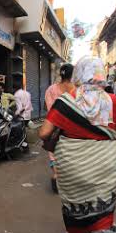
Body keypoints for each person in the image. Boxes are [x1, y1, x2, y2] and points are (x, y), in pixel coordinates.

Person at [39, 56, 116, 233]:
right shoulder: (112, 101)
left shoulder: (66, 101)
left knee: (73, 202)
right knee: (102, 212)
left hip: (73, 162)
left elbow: (43, 133)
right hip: (106, 164)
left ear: (78, 75)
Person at [44, 63, 76, 192]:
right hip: (74, 127)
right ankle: (70, 178)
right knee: (72, 152)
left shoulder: (51, 89)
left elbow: (50, 109)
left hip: (55, 126)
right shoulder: (78, 89)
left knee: (53, 151)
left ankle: (56, 174)